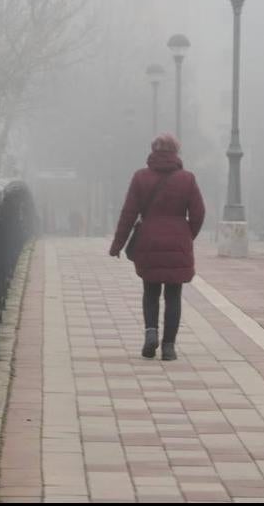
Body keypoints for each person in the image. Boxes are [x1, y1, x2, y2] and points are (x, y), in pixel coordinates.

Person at [108, 133, 206, 361]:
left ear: (153, 151)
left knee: (150, 291)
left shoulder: (141, 178)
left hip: (149, 240)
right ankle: (169, 347)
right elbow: (199, 213)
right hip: (178, 242)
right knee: (173, 295)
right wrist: (186, 234)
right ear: (176, 152)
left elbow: (129, 213)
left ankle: (150, 333)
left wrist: (118, 244)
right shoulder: (187, 179)